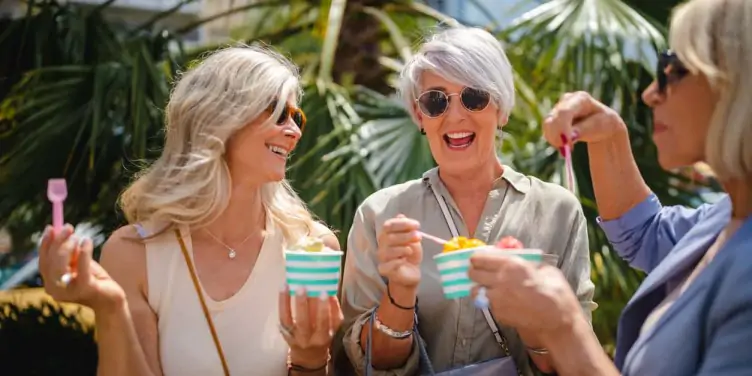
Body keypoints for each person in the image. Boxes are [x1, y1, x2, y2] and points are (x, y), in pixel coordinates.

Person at [466, 0, 752, 375]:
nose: (651, 93)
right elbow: (646, 234)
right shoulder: (729, 215)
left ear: (734, 84)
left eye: (672, 69)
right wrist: (608, 137)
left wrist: (563, 328)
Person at [37, 45, 343, 376]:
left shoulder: (313, 250)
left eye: (296, 117)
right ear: (220, 117)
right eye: (277, 112)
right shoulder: (134, 254)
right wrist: (110, 309)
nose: (295, 131)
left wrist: (311, 359)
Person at [338, 26, 596, 376]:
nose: (456, 116)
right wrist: (400, 291)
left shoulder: (557, 211)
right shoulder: (380, 214)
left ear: (501, 109)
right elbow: (365, 365)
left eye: (474, 97)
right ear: (419, 116)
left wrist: (532, 312)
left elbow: (575, 363)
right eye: (436, 100)